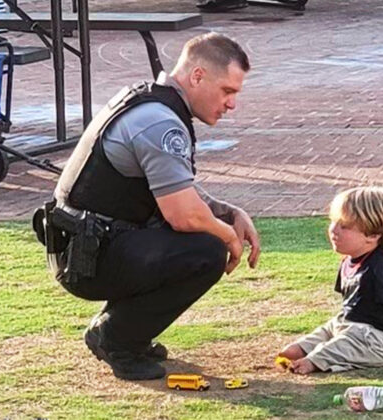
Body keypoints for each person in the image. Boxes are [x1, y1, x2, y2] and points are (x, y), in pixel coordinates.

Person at [49, 33, 261, 380]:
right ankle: (117, 339)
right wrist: (228, 235)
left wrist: (229, 213)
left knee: (201, 235)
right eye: (228, 91)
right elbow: (183, 214)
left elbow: (176, 189)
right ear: (197, 76)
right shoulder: (160, 122)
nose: (232, 103)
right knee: (207, 250)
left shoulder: (149, 103)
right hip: (87, 259)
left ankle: (122, 330)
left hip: (86, 246)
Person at [278, 186, 383, 374]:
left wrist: (353, 328)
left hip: (378, 339)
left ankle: (314, 361)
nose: (333, 230)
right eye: (333, 222)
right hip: (351, 325)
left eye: (344, 226)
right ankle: (302, 348)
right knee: (331, 327)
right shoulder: (348, 260)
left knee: (347, 339)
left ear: (372, 236)